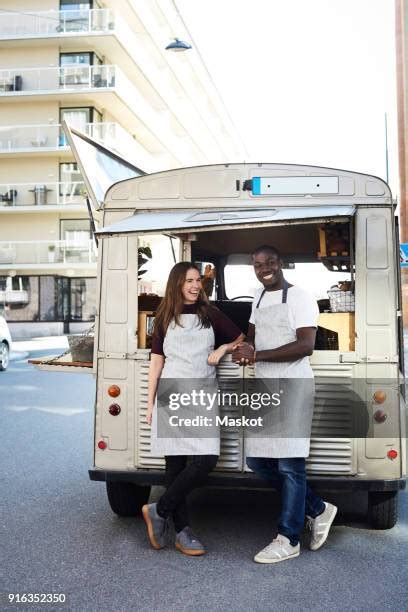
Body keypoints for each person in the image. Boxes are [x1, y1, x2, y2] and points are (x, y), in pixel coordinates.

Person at [232, 245, 337, 564]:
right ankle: (318, 509)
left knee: (291, 465)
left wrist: (257, 355)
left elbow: (306, 345)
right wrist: (239, 348)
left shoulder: (300, 297)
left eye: (271, 262)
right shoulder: (258, 297)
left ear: (282, 264)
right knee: (259, 462)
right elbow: (252, 338)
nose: (264, 268)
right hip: (265, 386)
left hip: (292, 386)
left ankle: (288, 538)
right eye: (258, 264)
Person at [143, 262, 244, 556]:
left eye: (198, 280)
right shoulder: (164, 317)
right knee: (174, 466)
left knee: (206, 459)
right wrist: (149, 404)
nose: (196, 285)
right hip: (172, 394)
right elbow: (156, 363)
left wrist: (222, 349)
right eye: (189, 280)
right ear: (177, 284)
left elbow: (240, 338)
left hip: (202, 394)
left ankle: (158, 510)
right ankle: (183, 532)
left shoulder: (209, 313)